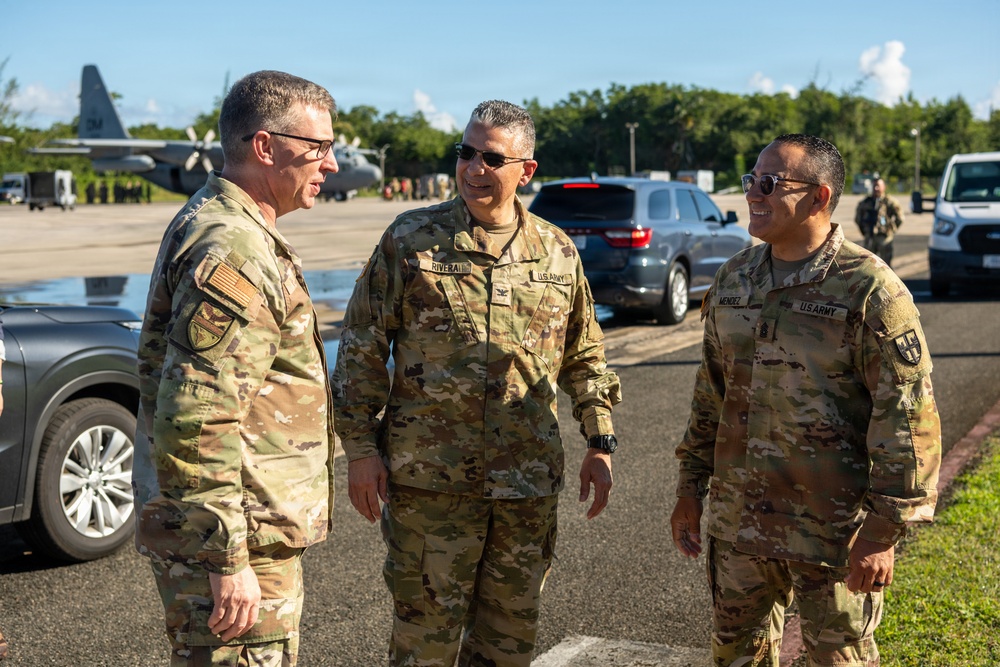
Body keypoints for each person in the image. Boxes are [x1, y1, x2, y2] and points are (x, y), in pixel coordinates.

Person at [333, 99, 622, 666]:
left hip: (526, 486)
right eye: (466, 152)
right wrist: (360, 450)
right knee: (424, 646)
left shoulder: (557, 252)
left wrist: (600, 439)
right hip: (431, 487)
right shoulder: (411, 238)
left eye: (492, 158)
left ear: (526, 170)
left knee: (508, 646)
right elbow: (362, 346)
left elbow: (584, 355)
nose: (473, 169)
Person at [670, 134, 941, 666]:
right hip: (741, 524)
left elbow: (907, 420)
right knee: (735, 658)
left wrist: (883, 531)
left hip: (834, 534)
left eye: (770, 184)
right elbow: (711, 396)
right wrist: (689, 487)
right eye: (752, 180)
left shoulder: (870, 291)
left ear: (819, 197)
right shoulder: (733, 279)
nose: (753, 194)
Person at [132, 70, 340, 666]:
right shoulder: (237, 249)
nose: (329, 164)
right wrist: (226, 558)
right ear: (265, 146)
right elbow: (198, 416)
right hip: (233, 535)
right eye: (317, 148)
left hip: (232, 526)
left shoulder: (232, 225)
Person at [855, 177, 904, 266]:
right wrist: (865, 231)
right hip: (869, 237)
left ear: (884, 187)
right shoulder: (865, 202)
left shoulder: (890, 201)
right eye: (874, 186)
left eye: (878, 186)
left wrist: (891, 230)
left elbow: (900, 218)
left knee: (886, 266)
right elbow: (858, 218)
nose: (875, 188)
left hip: (884, 238)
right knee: (867, 265)